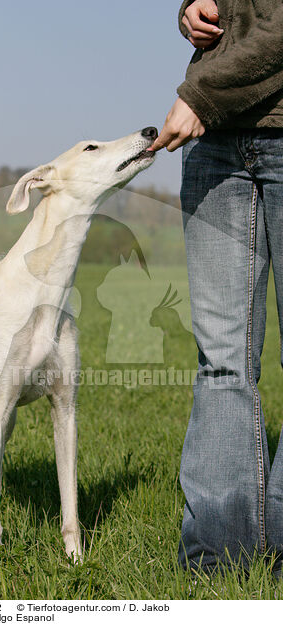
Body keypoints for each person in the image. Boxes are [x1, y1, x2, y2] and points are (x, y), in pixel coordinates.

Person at [149, 0, 283, 572]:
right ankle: (217, 559)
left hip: (234, 115)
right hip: (216, 145)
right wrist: (192, 11)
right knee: (221, 360)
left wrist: (202, 94)